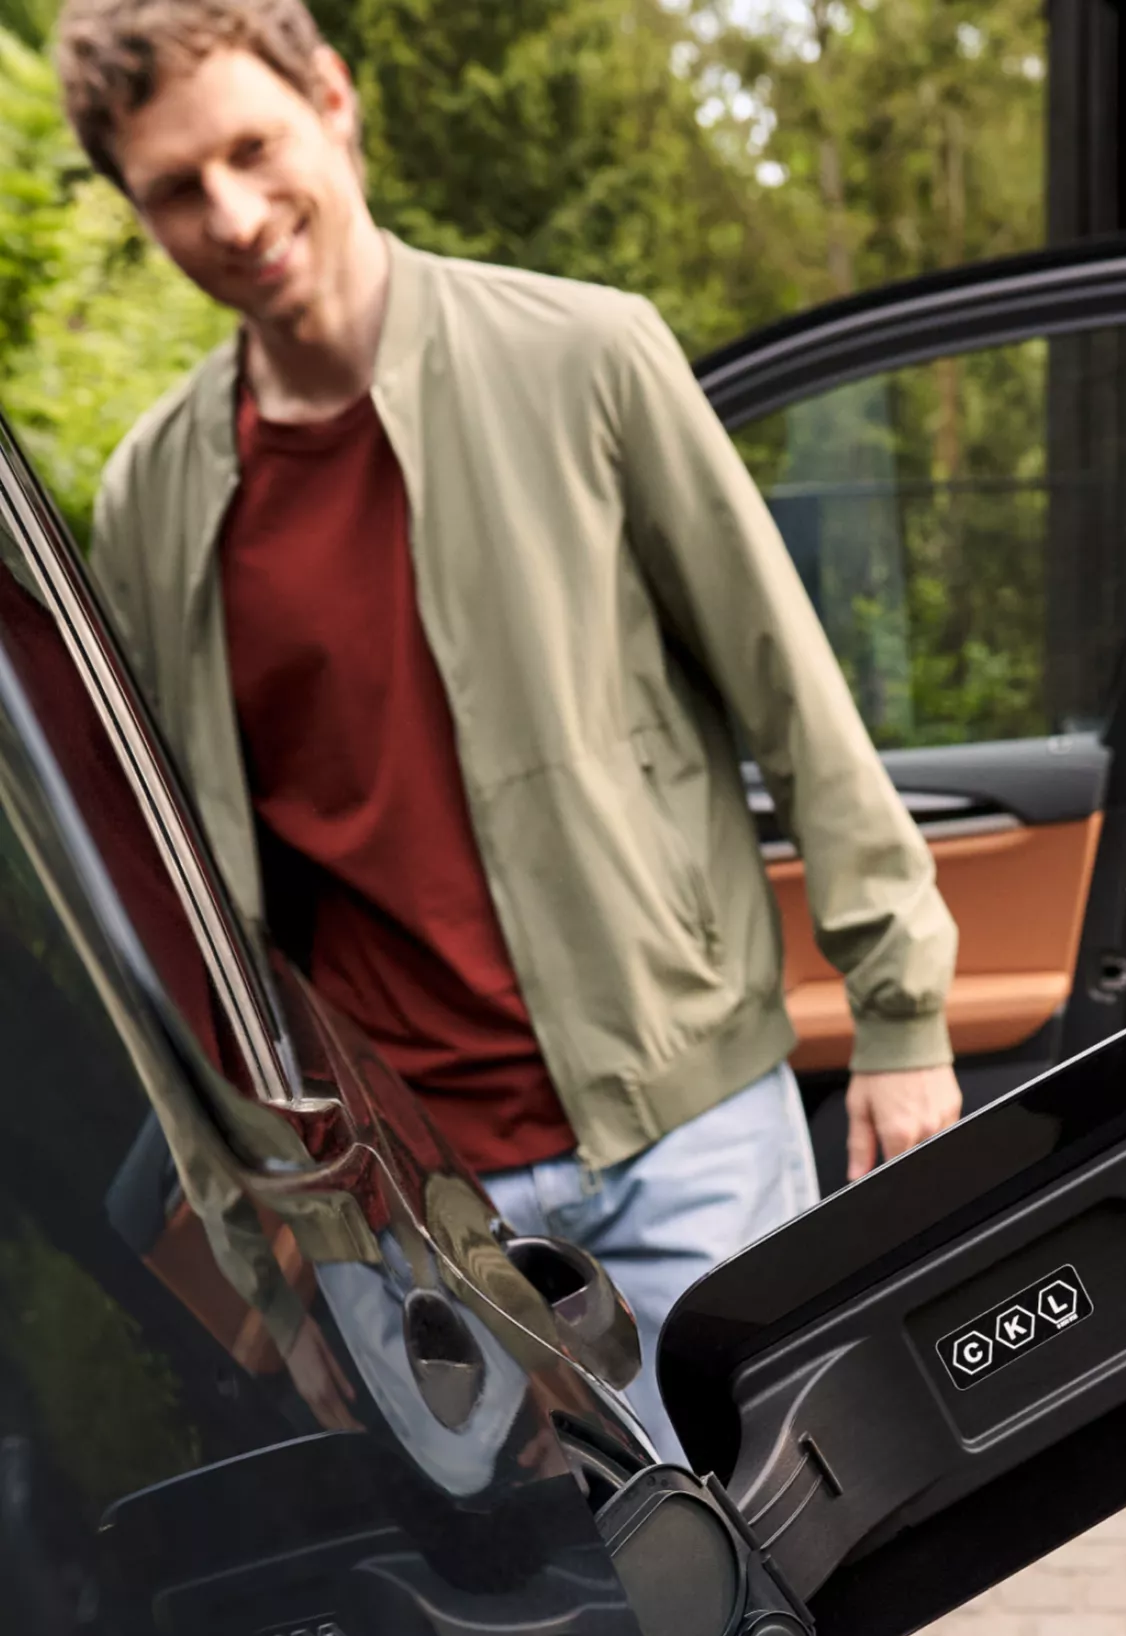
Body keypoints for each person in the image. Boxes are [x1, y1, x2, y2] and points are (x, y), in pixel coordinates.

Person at [54, 0, 963, 1461]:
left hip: (687, 1144)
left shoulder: (589, 358)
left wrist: (901, 1013)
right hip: (402, 1206)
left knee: (756, 1591)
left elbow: (790, 691)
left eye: (251, 147)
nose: (229, 211)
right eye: (174, 186)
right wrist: (261, 1247)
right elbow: (171, 917)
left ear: (332, 103)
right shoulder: (151, 496)